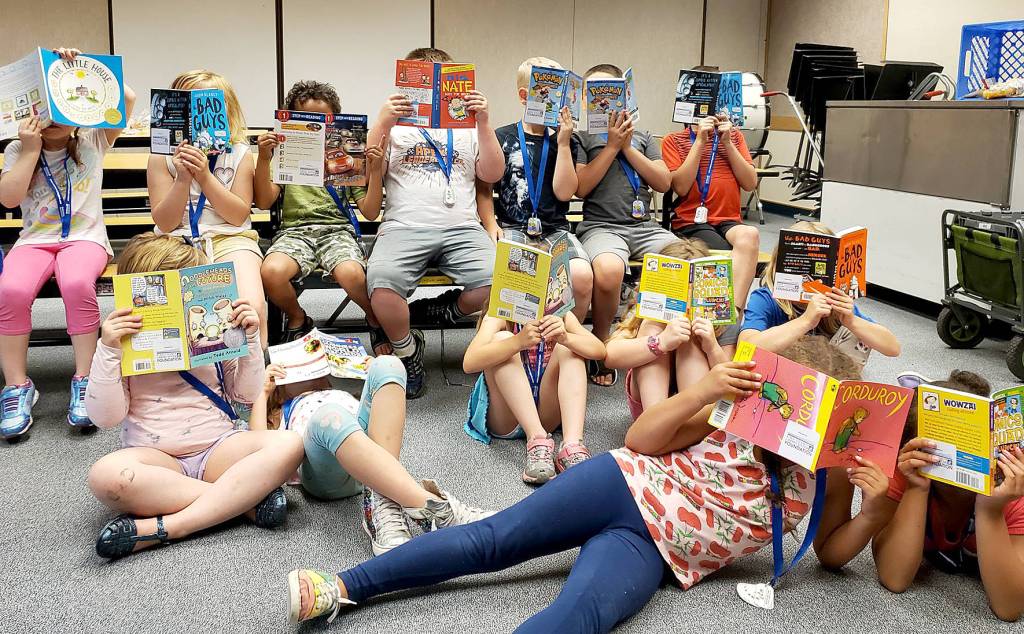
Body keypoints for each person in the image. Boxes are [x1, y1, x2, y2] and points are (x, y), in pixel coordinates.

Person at [286, 337, 881, 631]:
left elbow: (830, 553)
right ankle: (343, 585)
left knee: (584, 613)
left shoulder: (825, 473)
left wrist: (879, 506)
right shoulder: (732, 417)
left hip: (657, 549)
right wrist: (704, 393)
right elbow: (645, 440)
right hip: (623, 481)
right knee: (494, 541)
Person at [85, 233, 304, 559]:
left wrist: (251, 342)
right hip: (157, 459)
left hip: (218, 448)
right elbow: (105, 417)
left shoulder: (213, 327)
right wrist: (107, 349)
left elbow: (244, 395)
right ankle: (242, 503)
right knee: (104, 476)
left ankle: (172, 525)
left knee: (290, 443)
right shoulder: (122, 343)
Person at [0, 47, 136, 438]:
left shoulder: (94, 138)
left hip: (85, 240)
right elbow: (9, 198)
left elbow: (125, 98)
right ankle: (16, 386)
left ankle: (84, 378)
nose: (53, 120)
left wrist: (76, 68)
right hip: (34, 242)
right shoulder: (16, 149)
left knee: (77, 284)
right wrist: (29, 150)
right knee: (10, 289)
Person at [363, 47, 504, 398]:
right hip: (404, 226)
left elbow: (492, 173)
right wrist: (382, 121)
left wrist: (483, 122)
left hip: (462, 227)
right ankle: (408, 350)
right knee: (381, 284)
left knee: (498, 283)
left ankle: (448, 310)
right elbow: (368, 167)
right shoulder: (394, 128)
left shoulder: (469, 127)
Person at [253, 356, 491, 555]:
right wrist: (263, 394)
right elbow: (258, 448)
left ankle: (382, 504)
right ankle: (437, 508)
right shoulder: (282, 411)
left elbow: (380, 418)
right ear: (281, 389)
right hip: (324, 469)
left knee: (389, 364)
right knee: (330, 416)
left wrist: (369, 373)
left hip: (369, 457)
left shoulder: (340, 394)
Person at [872, 370, 1024, 622]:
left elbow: (1009, 607)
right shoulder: (908, 472)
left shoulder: (1012, 494)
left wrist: (990, 509)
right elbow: (894, 578)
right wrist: (917, 488)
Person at [255, 81, 389, 350]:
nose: (315, 127)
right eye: (305, 120)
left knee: (352, 273)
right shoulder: (283, 154)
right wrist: (263, 158)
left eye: (323, 120)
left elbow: (371, 212)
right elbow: (264, 200)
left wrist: (374, 171)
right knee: (271, 272)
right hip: (294, 232)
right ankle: (298, 318)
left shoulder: (348, 156)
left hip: (337, 231)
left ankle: (375, 318)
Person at [147, 70, 266, 347]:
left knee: (252, 308)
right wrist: (183, 178)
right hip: (175, 241)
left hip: (231, 238)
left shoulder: (239, 153)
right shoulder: (160, 157)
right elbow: (165, 223)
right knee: (167, 313)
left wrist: (204, 176)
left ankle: (256, 381)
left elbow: (237, 215)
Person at [572, 63, 673, 387]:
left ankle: (652, 333)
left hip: (645, 228)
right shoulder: (581, 136)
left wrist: (627, 146)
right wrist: (611, 146)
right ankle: (602, 342)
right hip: (601, 227)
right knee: (610, 269)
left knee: (684, 260)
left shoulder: (643, 137)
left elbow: (663, 182)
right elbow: (580, 187)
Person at [481, 57, 592, 323]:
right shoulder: (502, 136)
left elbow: (565, 193)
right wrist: (489, 224)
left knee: (581, 276)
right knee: (515, 276)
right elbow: (484, 188)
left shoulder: (565, 141)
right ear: (524, 96)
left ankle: (566, 345)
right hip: (512, 227)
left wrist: (563, 144)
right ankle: (507, 345)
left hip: (555, 229)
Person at [463, 299, 605, 484]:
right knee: (502, 339)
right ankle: (536, 438)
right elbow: (469, 363)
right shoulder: (499, 311)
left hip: (546, 413)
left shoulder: (559, 312)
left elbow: (600, 351)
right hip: (506, 417)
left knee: (570, 349)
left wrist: (566, 338)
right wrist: (517, 342)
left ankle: (572, 445)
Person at [605, 239, 740, 420]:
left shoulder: (723, 319)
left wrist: (711, 346)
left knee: (691, 335)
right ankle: (656, 425)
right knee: (652, 328)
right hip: (649, 413)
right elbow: (610, 356)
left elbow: (729, 380)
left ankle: (687, 428)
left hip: (698, 414)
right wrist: (660, 343)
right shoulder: (645, 312)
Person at [739, 221, 901, 362]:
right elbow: (745, 348)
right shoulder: (766, 298)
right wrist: (806, 321)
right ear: (778, 265)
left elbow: (893, 348)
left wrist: (851, 320)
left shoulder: (834, 301)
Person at [661, 112, 760, 308]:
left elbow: (750, 183)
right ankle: (718, 310)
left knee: (750, 234)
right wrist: (699, 141)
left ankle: (735, 310)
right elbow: (680, 187)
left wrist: (728, 143)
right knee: (724, 253)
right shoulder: (673, 140)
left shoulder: (735, 136)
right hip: (691, 220)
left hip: (728, 219)